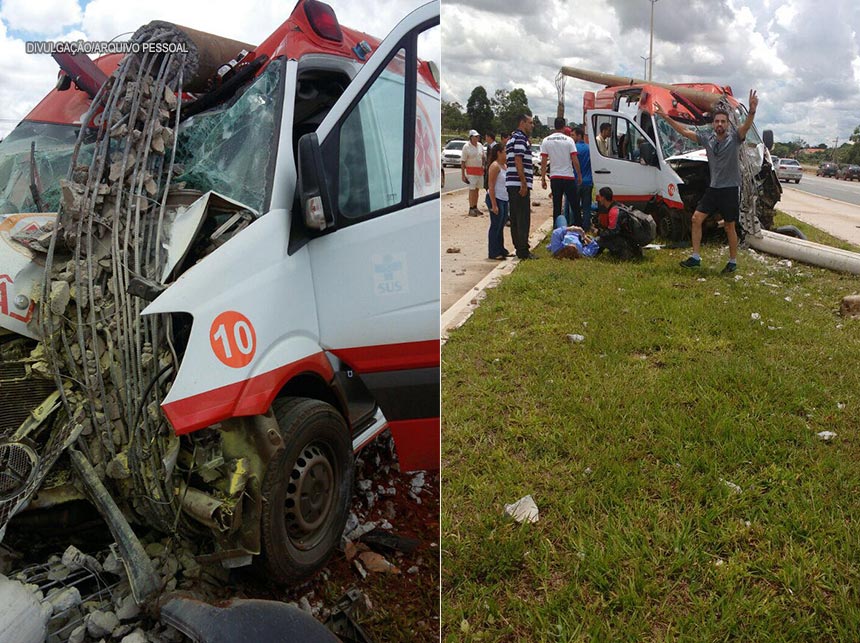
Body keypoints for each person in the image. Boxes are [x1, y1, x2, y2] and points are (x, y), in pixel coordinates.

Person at [655, 90, 758, 273]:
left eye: (723, 122)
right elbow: (685, 132)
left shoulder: (735, 138)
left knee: (729, 226)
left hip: (730, 189)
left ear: (727, 124)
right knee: (696, 219)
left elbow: (746, 127)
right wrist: (665, 117)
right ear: (713, 124)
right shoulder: (707, 139)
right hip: (713, 189)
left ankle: (732, 262)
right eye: (717, 121)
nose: (719, 124)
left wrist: (751, 111)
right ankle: (695, 257)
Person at [540, 117, 582, 229]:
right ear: (564, 127)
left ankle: (557, 231)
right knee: (575, 205)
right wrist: (579, 175)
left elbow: (543, 161)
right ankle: (579, 228)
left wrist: (543, 178)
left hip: (555, 177)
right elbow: (575, 159)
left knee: (557, 206)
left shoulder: (546, 140)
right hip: (568, 176)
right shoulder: (569, 140)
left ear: (554, 126)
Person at [506, 114, 535, 259]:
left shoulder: (512, 138)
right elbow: (518, 160)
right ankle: (523, 250)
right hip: (518, 184)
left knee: (516, 217)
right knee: (523, 218)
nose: (532, 126)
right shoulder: (520, 139)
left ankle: (520, 247)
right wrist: (523, 183)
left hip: (512, 183)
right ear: (522, 123)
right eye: (530, 123)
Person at [594, 187, 641, 260]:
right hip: (631, 240)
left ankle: (625, 252)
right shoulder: (618, 206)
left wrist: (599, 232)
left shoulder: (613, 211)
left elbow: (613, 232)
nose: (598, 199)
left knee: (600, 239)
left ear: (603, 198)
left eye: (599, 196)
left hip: (625, 241)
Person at [485, 144, 511, 260]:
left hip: (504, 198)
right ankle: (493, 251)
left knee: (501, 225)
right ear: (499, 153)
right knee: (495, 225)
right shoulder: (495, 166)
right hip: (496, 198)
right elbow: (491, 185)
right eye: (505, 152)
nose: (507, 154)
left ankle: (501, 248)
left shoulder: (505, 166)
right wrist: (494, 204)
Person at [572, 127, 594, 231]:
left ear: (579, 136)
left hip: (576, 181)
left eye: (573, 135)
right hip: (588, 181)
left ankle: (575, 226)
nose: (572, 137)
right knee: (586, 207)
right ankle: (586, 226)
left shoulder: (573, 148)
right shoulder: (590, 148)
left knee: (575, 206)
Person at [461, 129, 486, 216]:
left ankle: (475, 207)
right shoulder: (466, 147)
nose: (477, 138)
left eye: (478, 136)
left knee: (477, 189)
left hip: (479, 170)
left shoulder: (480, 145)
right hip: (471, 170)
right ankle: (471, 208)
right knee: (472, 189)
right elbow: (463, 161)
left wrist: (483, 165)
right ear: (471, 137)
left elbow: (483, 157)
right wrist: (463, 175)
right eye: (475, 137)